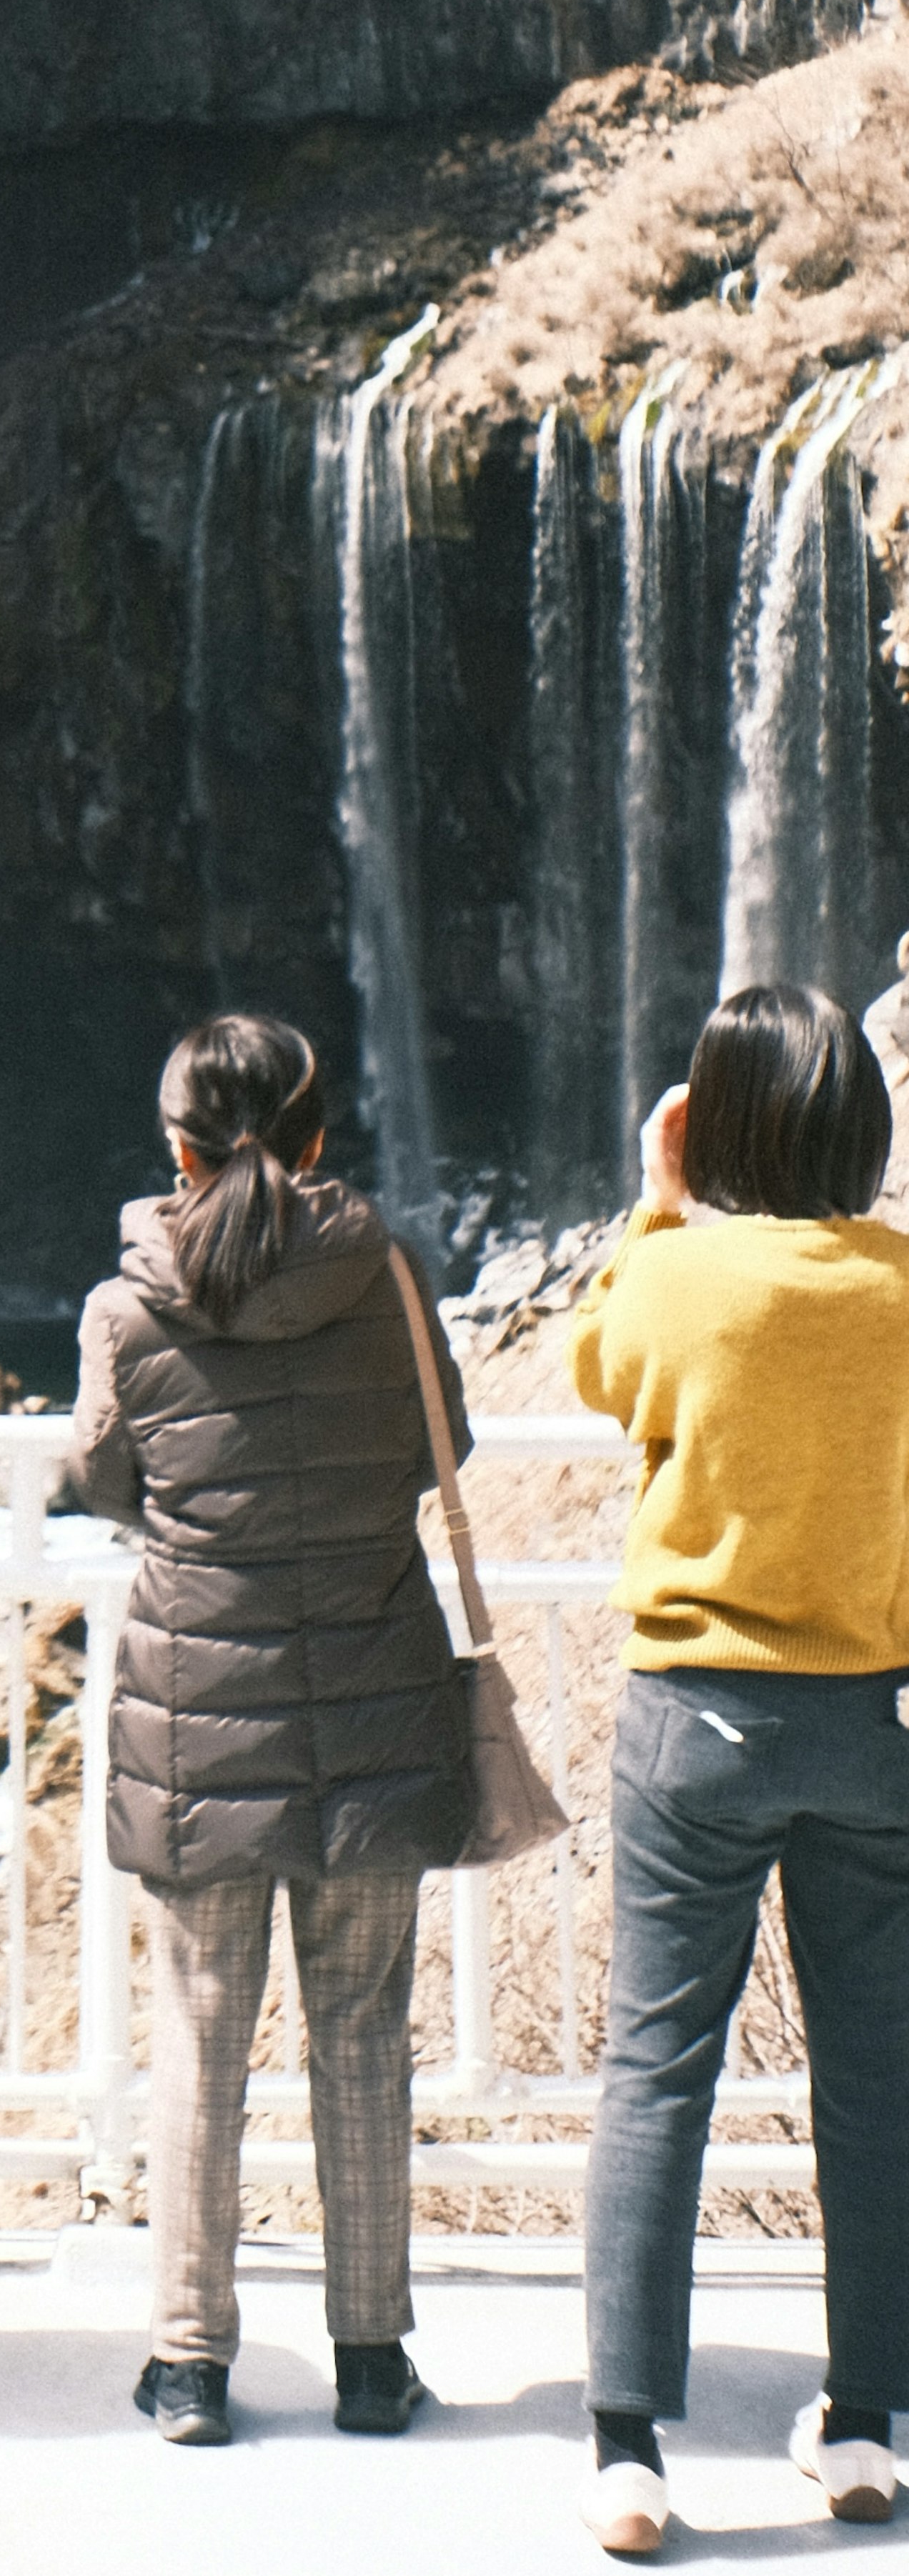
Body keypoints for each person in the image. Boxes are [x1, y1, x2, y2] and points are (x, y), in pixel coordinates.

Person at [63, 1012, 473, 2450]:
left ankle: (188, 2365)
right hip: (373, 1705)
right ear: (318, 1134)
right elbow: (445, 1450)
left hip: (199, 1720)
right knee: (364, 2033)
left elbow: (104, 1477)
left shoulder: (128, 1306)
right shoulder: (393, 1274)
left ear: (177, 1147)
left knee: (199, 2035)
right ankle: (372, 2362)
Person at [571, 982, 909, 2564]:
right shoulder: (905, 1286)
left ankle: (630, 2451)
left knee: (655, 2075)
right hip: (872, 1724)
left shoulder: (681, 1277)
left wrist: (657, 1200)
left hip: (696, 1720)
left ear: (718, 1125)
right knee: (878, 2081)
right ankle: (860, 2422)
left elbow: (594, 1369)